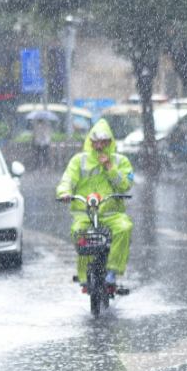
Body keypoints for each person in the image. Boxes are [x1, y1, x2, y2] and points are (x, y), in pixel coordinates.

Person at [56, 119, 134, 286]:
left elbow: (125, 186)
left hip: (112, 214)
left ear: (110, 142)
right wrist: (64, 192)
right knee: (78, 231)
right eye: (96, 141)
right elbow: (68, 179)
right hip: (85, 214)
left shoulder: (121, 161)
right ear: (90, 141)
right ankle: (84, 276)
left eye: (103, 141)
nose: (99, 145)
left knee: (124, 228)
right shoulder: (79, 160)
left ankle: (112, 271)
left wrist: (110, 168)